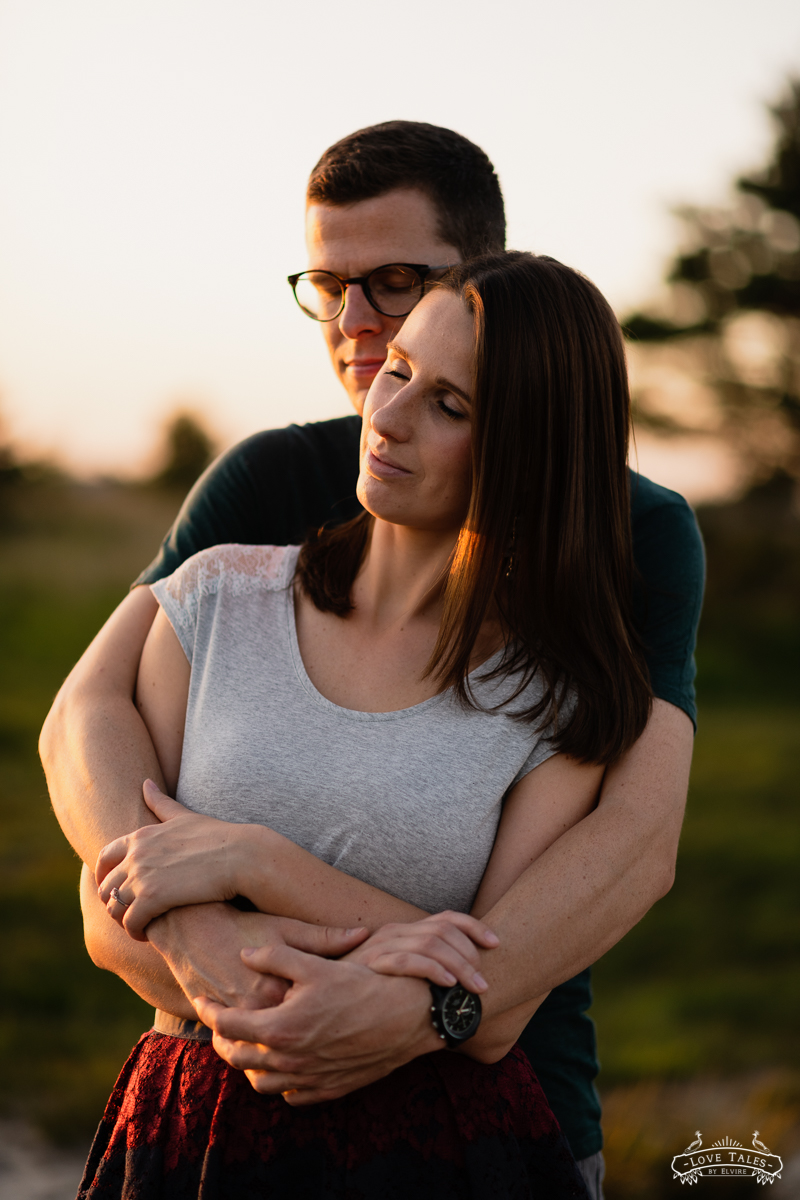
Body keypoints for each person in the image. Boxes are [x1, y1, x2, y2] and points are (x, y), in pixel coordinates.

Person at [40, 122, 704, 1199]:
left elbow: (635, 834)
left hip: (479, 1114)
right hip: (207, 1116)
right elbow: (85, 720)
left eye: (391, 281)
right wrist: (195, 932)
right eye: (328, 285)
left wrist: (430, 1001)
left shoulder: (630, 538)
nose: (353, 328)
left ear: (479, 270)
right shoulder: (258, 501)